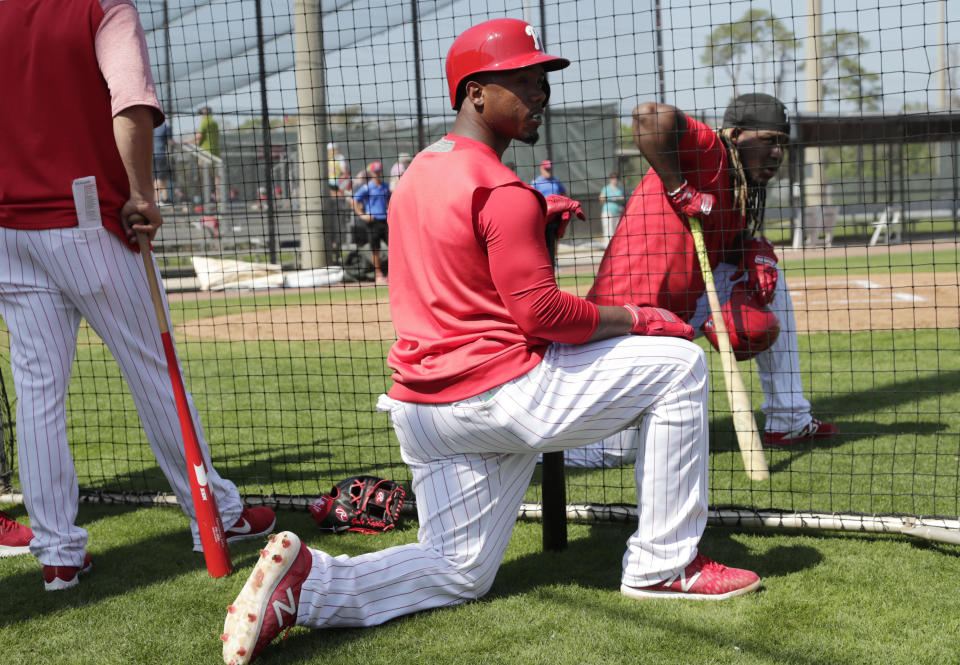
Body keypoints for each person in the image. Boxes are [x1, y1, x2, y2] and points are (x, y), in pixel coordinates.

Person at [221, 18, 761, 665]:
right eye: (525, 83)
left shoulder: (420, 171)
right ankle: (663, 564)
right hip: (502, 394)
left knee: (459, 569)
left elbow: (472, 276)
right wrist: (638, 316)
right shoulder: (505, 190)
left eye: (542, 83)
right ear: (476, 92)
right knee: (677, 364)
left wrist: (539, 237)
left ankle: (307, 586)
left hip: (422, 409)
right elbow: (542, 315)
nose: (540, 96)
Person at [0, 0, 275, 591]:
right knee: (154, 371)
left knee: (37, 393)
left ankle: (57, 554)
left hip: (9, 230)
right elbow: (131, 103)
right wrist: (142, 194)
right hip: (89, 218)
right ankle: (218, 520)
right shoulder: (100, 7)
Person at [568, 93, 838, 468]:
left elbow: (725, 249)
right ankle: (536, 442)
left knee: (767, 283)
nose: (777, 153)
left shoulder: (741, 189)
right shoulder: (711, 151)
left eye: (783, 144)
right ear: (737, 134)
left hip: (678, 313)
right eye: (769, 140)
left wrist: (753, 252)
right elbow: (649, 116)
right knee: (612, 454)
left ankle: (789, 418)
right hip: (625, 322)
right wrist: (679, 188)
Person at [350, 161, 391, 284]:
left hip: (385, 220)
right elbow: (354, 201)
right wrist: (363, 215)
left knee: (393, 247)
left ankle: (392, 272)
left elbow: (390, 200)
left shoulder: (385, 186)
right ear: (371, 173)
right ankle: (378, 274)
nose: (378, 174)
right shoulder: (367, 187)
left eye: (379, 171)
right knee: (375, 249)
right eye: (375, 172)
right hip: (373, 222)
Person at [190, 106, 220, 202]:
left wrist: (188, 141)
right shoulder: (214, 122)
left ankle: (207, 197)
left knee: (204, 176)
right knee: (216, 177)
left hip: (205, 153)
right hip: (216, 154)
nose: (201, 115)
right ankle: (217, 196)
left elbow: (199, 135)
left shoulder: (205, 121)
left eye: (201, 113)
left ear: (204, 113)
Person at [598, 171, 625, 243]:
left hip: (618, 212)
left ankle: (615, 245)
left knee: (617, 230)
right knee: (608, 229)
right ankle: (608, 246)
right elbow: (601, 199)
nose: (615, 180)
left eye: (616, 178)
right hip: (608, 212)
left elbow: (622, 198)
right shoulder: (606, 188)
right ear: (610, 179)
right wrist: (611, 198)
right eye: (613, 178)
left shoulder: (620, 188)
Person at [153, 120, 174, 205]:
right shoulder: (165, 125)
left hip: (153, 155)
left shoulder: (152, 125)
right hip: (160, 155)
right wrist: (180, 144)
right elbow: (170, 141)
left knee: (163, 177)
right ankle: (158, 200)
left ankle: (165, 199)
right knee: (159, 178)